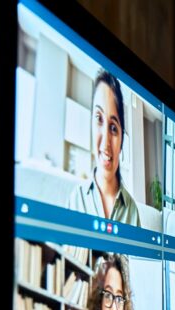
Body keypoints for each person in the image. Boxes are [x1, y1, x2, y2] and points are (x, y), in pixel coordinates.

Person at [67, 69, 141, 227]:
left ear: (122, 141)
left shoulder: (132, 211)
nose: (106, 142)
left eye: (114, 128)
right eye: (99, 119)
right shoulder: (76, 199)